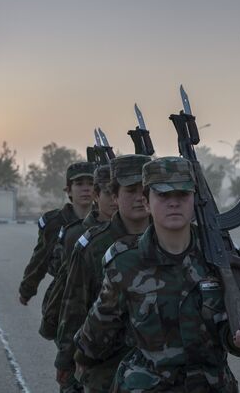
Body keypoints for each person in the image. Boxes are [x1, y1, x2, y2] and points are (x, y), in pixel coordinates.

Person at [74, 156, 240, 392]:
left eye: (182, 195)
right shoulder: (126, 263)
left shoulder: (222, 257)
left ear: (194, 200)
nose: (173, 203)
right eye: (163, 195)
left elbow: (238, 330)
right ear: (146, 202)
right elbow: (96, 336)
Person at [56, 154, 152, 393]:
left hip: (159, 371)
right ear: (115, 195)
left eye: (145, 190)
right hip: (106, 368)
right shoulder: (92, 246)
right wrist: (66, 360)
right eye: (131, 190)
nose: (140, 197)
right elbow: (74, 307)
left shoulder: (172, 240)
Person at [42, 165, 117, 393]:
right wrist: (66, 356)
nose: (116, 200)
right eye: (109, 193)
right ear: (97, 195)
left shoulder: (147, 236)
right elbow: (71, 298)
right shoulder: (79, 236)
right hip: (87, 341)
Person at [18, 161, 96, 340]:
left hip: (97, 297)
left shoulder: (107, 219)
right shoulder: (55, 222)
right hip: (64, 296)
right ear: (68, 190)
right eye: (79, 184)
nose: (86, 189)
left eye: (90, 183)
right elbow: (40, 258)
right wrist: (27, 289)